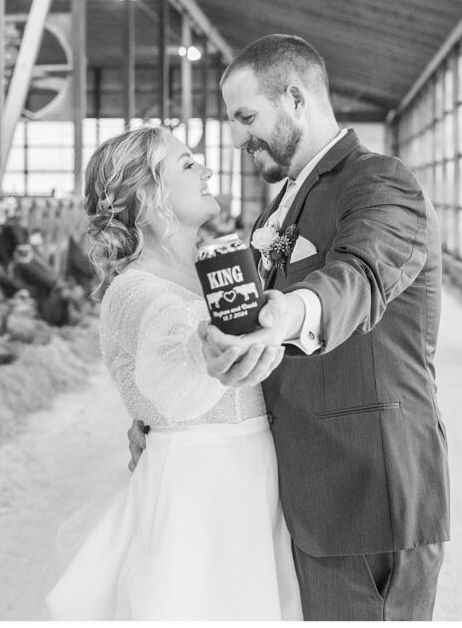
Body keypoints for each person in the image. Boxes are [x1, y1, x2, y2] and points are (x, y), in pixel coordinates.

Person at [129, 34, 450, 620]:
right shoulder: (280, 205)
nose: (237, 136)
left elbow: (360, 273)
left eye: (247, 117)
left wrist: (290, 312)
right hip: (306, 489)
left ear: (296, 99)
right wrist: (168, 410)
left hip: (366, 494)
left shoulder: (378, 182)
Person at [38, 126, 300, 619]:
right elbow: (179, 348)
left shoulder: (216, 271)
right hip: (196, 487)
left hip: (253, 473)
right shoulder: (133, 292)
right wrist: (212, 353)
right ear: (147, 196)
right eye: (186, 164)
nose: (206, 169)